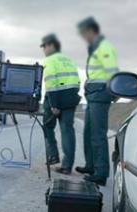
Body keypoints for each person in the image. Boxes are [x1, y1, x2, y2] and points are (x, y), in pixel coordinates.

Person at [75, 17, 118, 186]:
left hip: (101, 94)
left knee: (98, 134)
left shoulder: (104, 47)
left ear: (91, 31)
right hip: (93, 94)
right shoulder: (95, 49)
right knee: (88, 133)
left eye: (84, 33)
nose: (83, 37)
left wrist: (113, 93)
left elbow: (112, 71)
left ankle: (101, 173)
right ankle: (91, 166)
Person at [41, 33, 81, 174]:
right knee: (67, 131)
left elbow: (51, 83)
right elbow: (77, 82)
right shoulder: (68, 60)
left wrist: (54, 104)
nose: (43, 50)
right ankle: (67, 166)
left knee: (47, 126)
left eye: (44, 46)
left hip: (55, 97)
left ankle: (53, 155)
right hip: (70, 99)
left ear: (51, 46)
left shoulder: (50, 60)